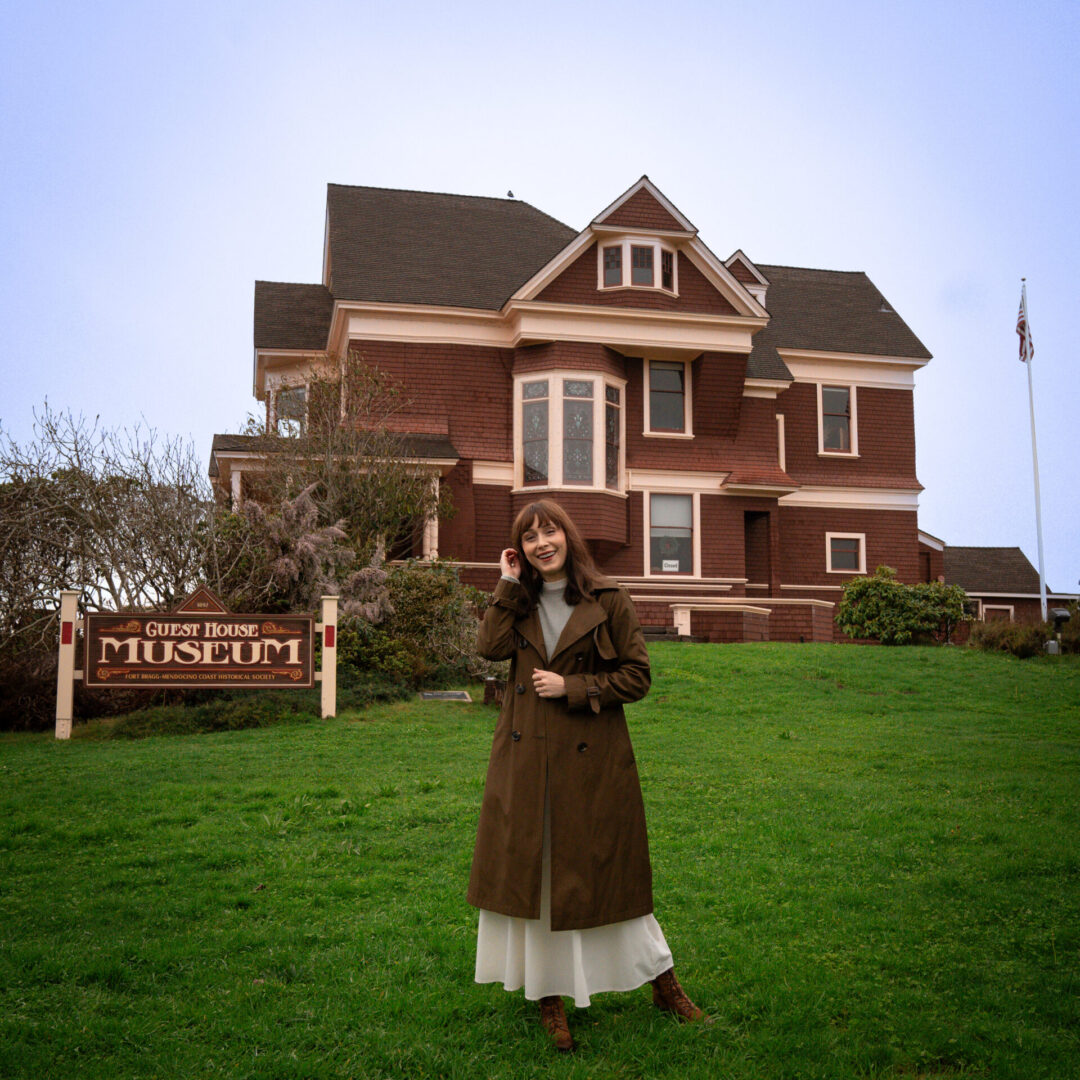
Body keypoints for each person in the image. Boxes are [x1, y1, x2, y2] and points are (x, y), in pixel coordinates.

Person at [468, 498, 703, 1053]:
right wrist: (505, 584)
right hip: (526, 761)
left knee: (609, 877)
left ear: (568, 537)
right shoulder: (517, 602)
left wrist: (574, 689)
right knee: (537, 876)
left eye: (549, 532)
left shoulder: (609, 599)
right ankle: (550, 999)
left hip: (591, 760)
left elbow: (637, 677)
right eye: (529, 538)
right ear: (519, 550)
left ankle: (663, 983)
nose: (541, 544)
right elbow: (488, 648)